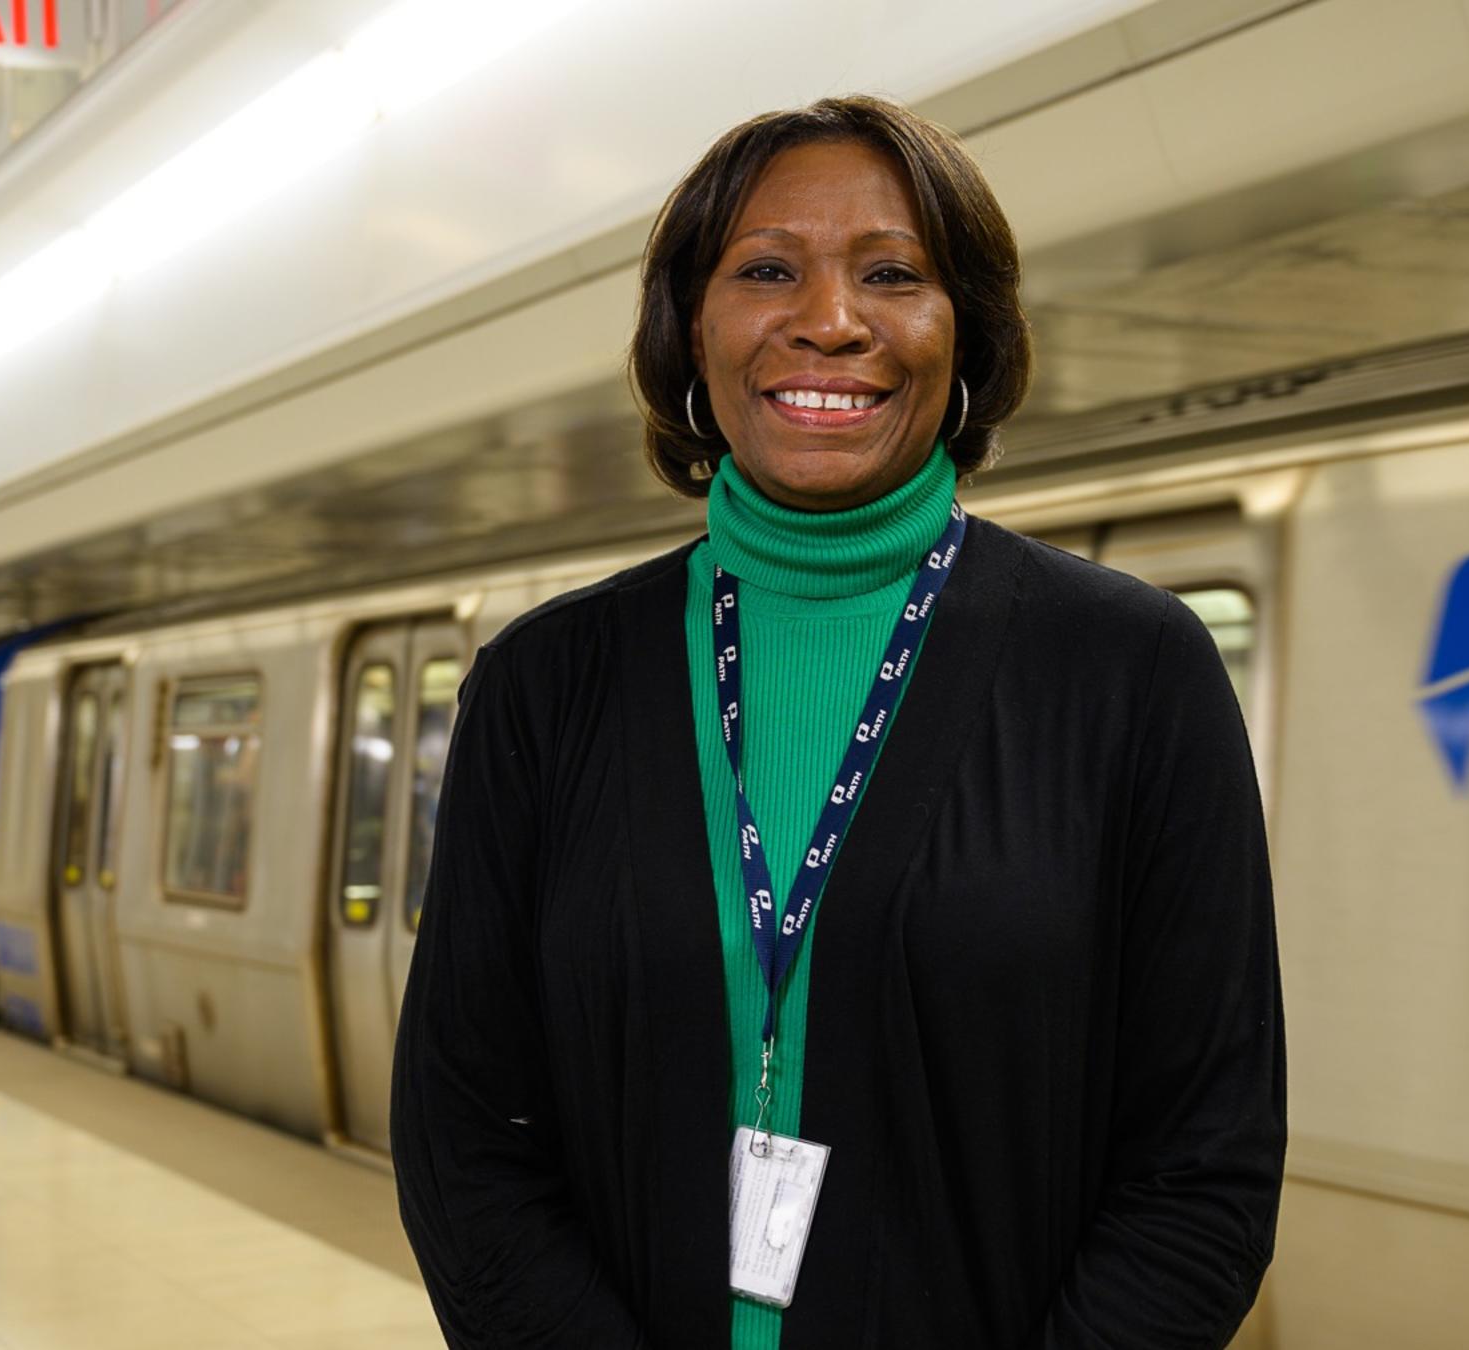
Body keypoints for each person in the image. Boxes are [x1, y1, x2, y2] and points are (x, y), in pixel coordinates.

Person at [393, 95, 1284, 1349]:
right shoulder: (546, 685)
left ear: (963, 330)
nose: (829, 320)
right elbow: (460, 1130)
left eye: (893, 274)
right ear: (689, 332)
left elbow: (1207, 1160)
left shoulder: (1135, 670)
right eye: (766, 270)